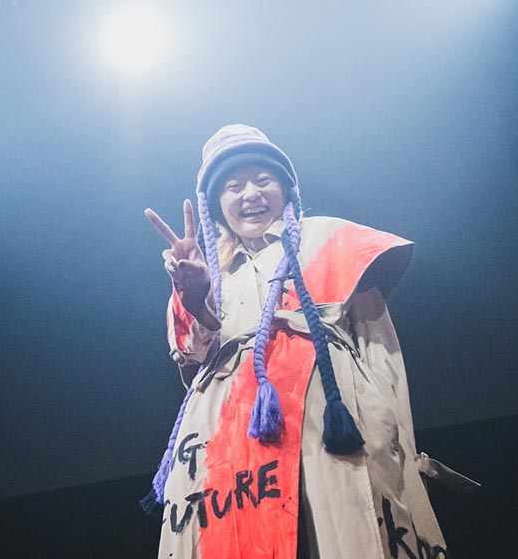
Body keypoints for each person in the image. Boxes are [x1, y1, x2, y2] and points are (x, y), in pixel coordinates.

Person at [143, 124, 471, 559]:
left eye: (263, 179)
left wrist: (401, 450)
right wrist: (197, 302)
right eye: (233, 186)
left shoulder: (331, 240)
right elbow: (192, 360)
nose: (250, 194)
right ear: (216, 206)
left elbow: (381, 352)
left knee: (343, 534)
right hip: (230, 445)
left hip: (328, 426)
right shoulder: (206, 274)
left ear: (285, 188)